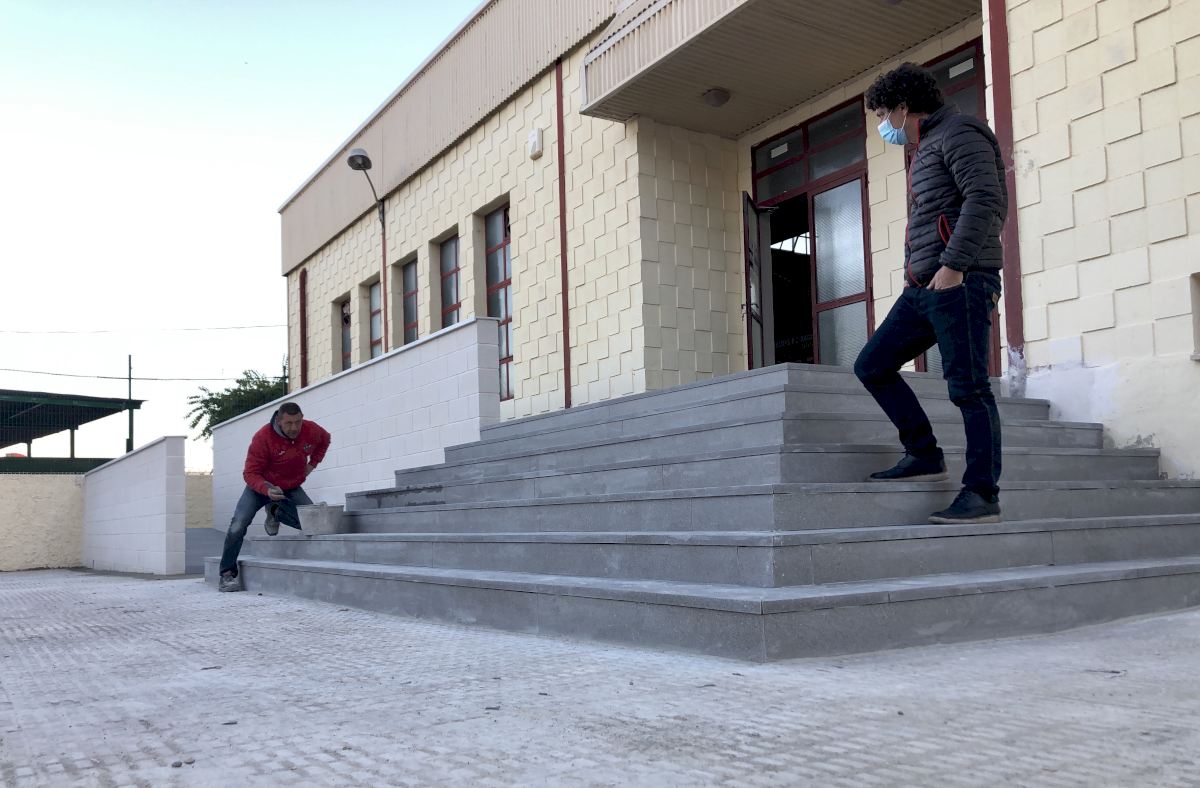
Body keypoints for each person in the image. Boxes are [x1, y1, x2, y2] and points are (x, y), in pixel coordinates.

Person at [854, 62, 1007, 525]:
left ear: (903, 107)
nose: (883, 125)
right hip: (924, 286)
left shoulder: (960, 132)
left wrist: (954, 264)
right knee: (872, 364)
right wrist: (916, 275)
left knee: (969, 389)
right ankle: (923, 452)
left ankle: (981, 493)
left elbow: (985, 198)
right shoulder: (927, 146)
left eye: (883, 114)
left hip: (962, 279)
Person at [218, 402, 331, 591]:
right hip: (260, 487)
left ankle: (275, 512)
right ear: (278, 421)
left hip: (291, 486)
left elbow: (325, 439)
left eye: (298, 422)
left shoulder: (311, 430)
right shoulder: (263, 437)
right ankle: (227, 574)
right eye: (288, 423)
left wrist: (312, 465)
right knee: (238, 524)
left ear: (302, 418)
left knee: (312, 524)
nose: (294, 428)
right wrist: (266, 489)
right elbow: (250, 473)